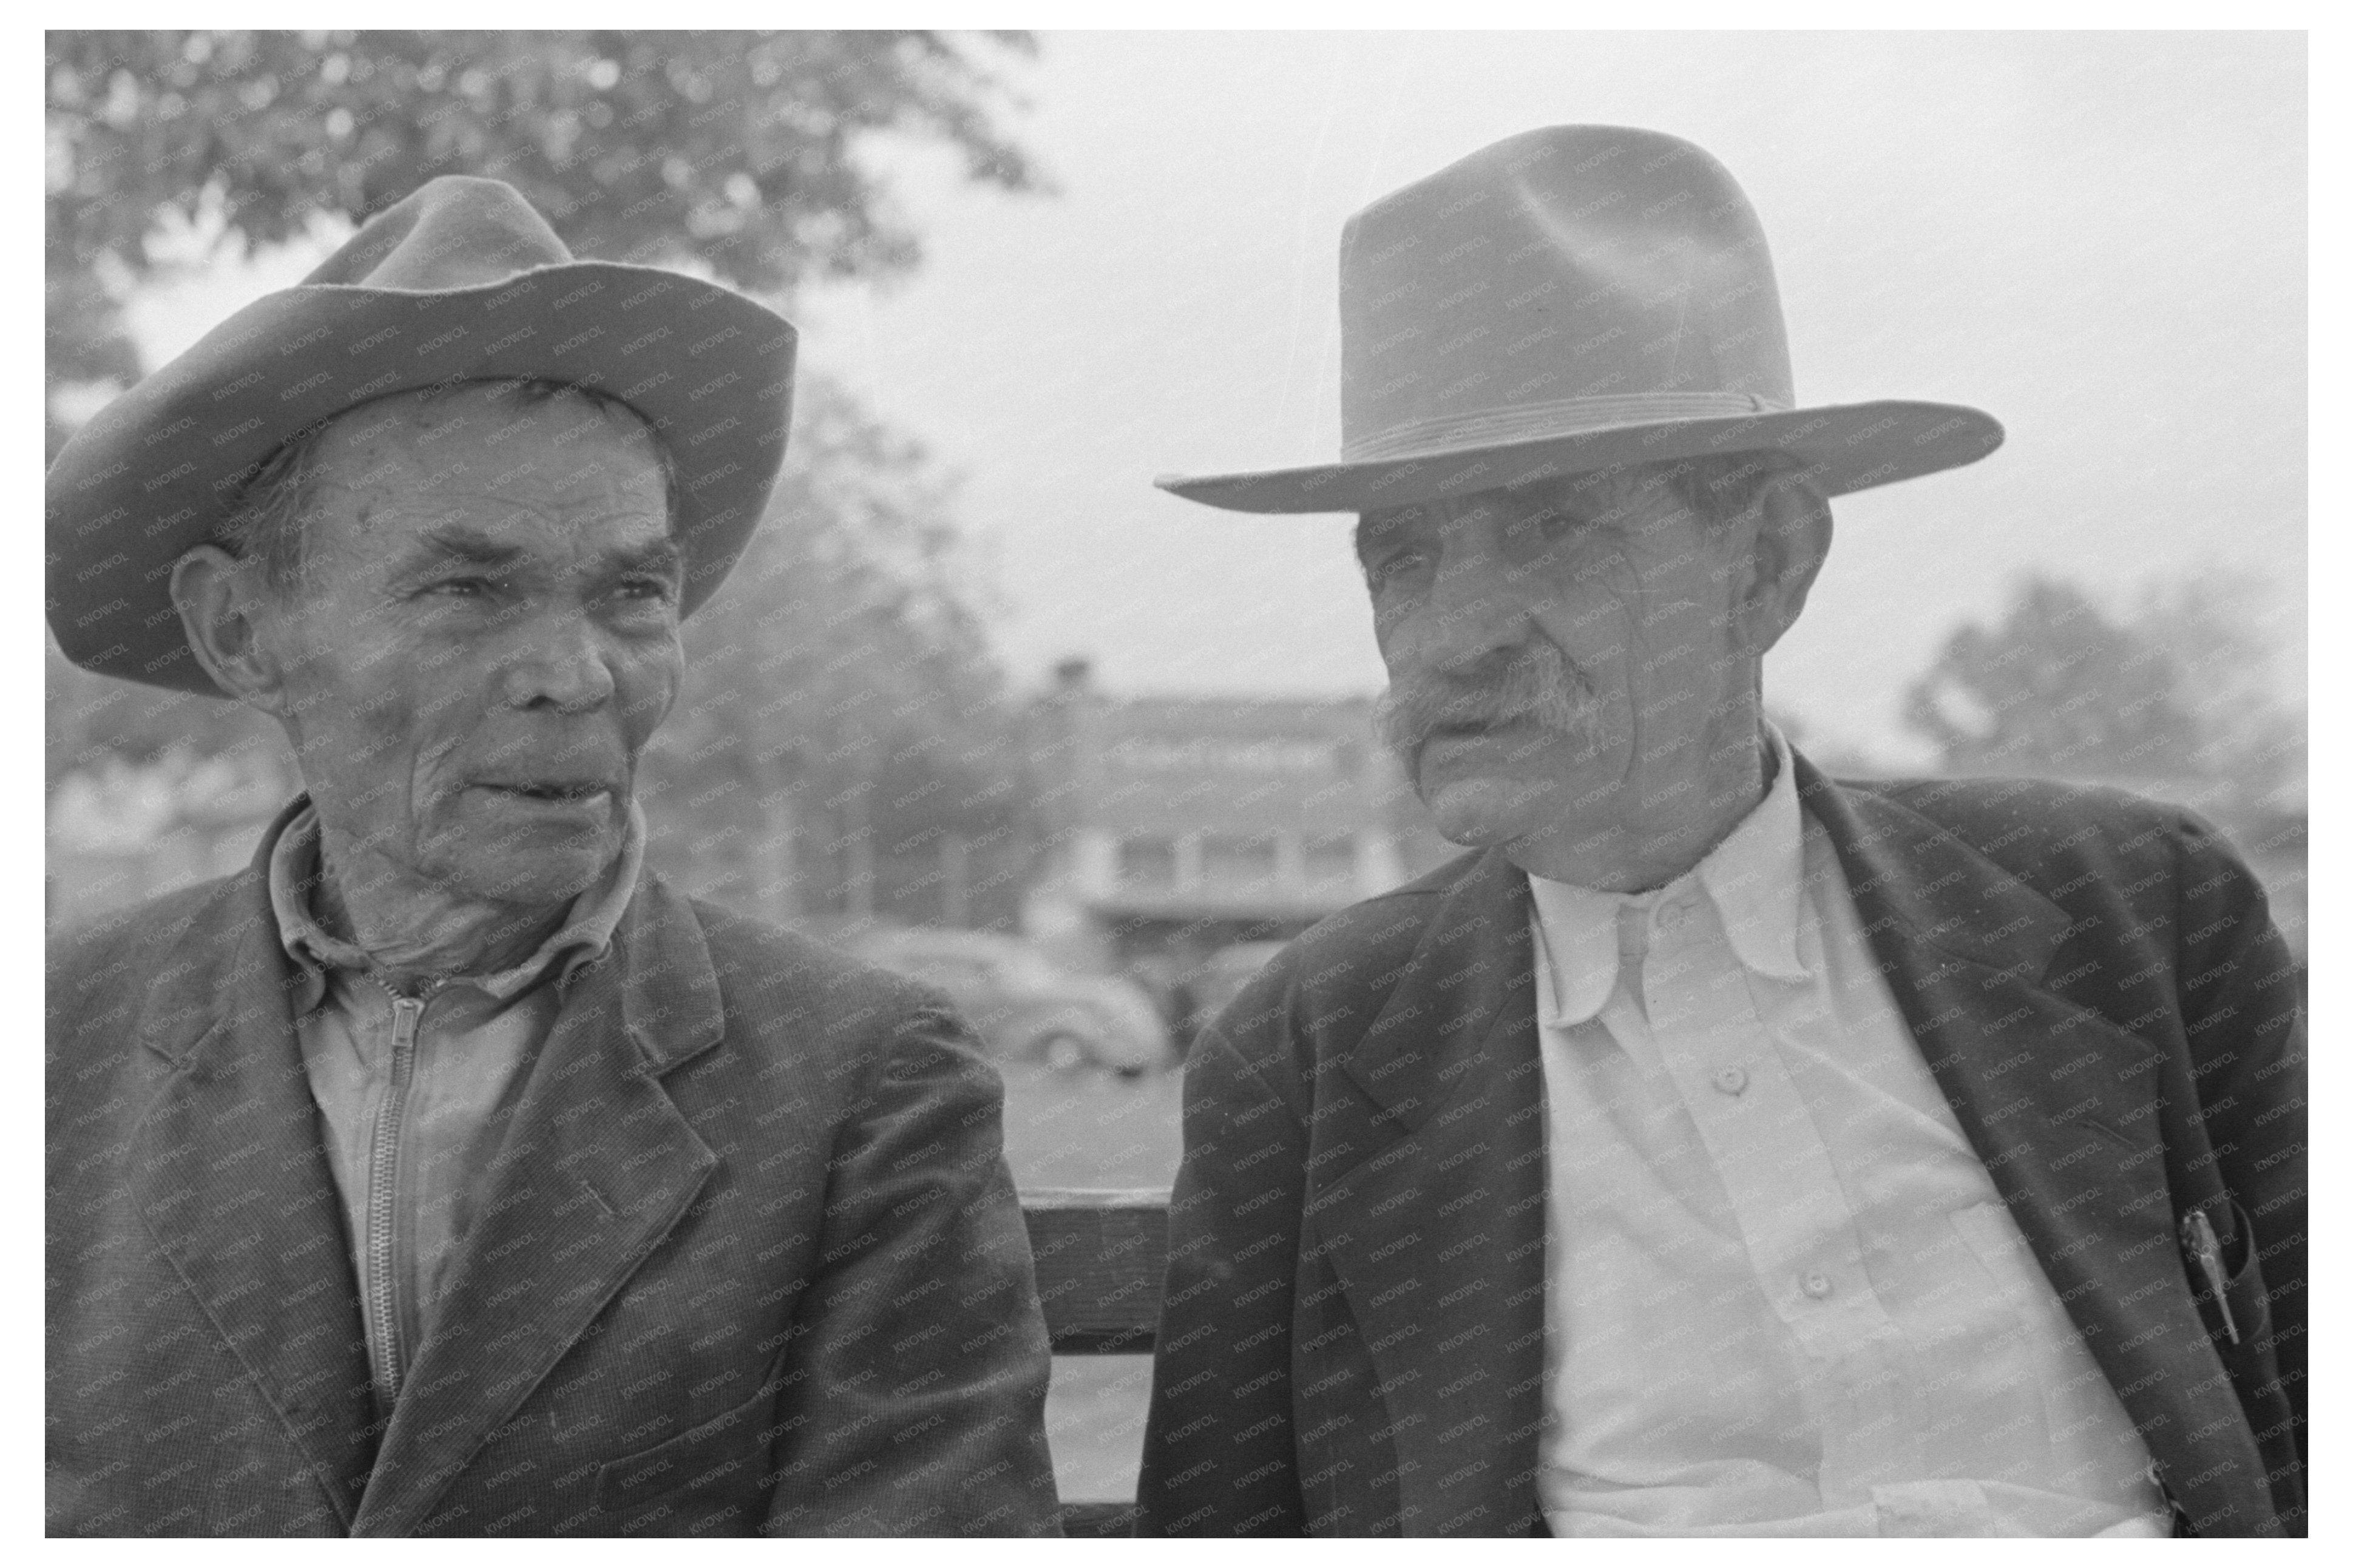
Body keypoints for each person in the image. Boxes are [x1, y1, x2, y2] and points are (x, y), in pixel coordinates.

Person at [1134, 126, 2303, 1539]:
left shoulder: (2131, 911)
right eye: (1404, 557)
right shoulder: (1318, 1049)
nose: (1448, 635)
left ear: (1767, 562)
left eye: (1552, 530)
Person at [46, 177, 1059, 1538]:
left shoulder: (857, 1083)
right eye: (468, 590)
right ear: (242, 631)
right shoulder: (53, 1046)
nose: (576, 675)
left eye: (632, 593)